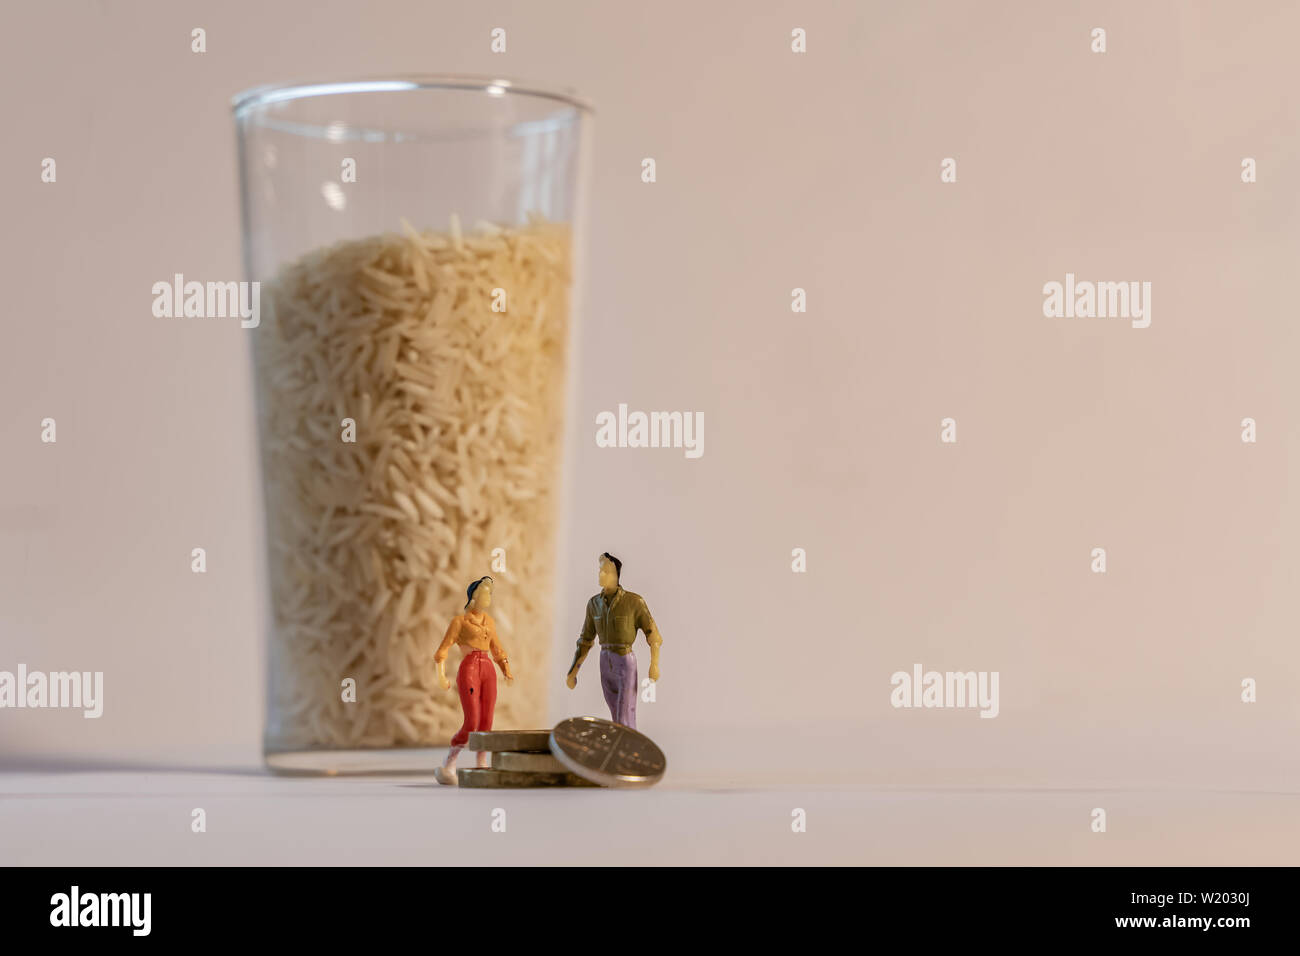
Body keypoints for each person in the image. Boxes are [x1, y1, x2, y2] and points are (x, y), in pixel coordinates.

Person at [565, 553, 662, 729]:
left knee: (623, 713)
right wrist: (573, 671)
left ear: (617, 575)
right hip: (605, 661)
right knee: (615, 711)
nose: (601, 574)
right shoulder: (594, 604)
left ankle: (624, 749)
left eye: (607, 571)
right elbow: (585, 640)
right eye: (600, 570)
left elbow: (653, 635)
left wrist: (654, 664)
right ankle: (627, 748)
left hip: (624, 660)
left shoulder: (634, 602)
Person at [433, 576, 513, 785]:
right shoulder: (459, 622)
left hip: (487, 668)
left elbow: (497, 648)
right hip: (469, 668)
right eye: (485, 593)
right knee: (472, 721)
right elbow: (443, 650)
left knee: (487, 720)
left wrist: (505, 667)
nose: (488, 597)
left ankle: (481, 761)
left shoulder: (490, 622)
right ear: (474, 596)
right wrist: (441, 675)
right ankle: (450, 759)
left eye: (490, 593)